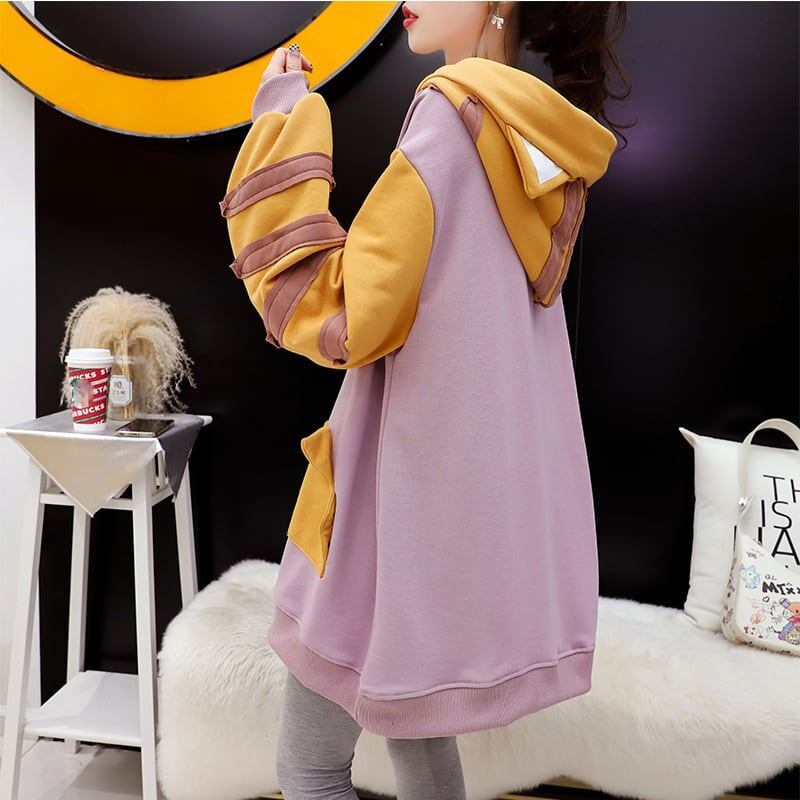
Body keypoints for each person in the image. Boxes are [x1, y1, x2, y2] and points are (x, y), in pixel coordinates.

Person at [219, 2, 631, 798]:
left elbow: (346, 311)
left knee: (310, 767)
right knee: (420, 749)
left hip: (385, 506)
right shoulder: (530, 133)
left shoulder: (447, 114)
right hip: (447, 522)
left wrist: (281, 123)